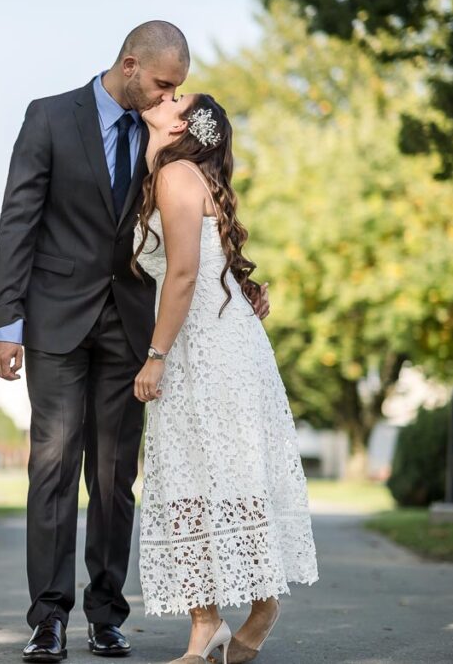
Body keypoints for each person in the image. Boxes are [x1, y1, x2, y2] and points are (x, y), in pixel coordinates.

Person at [0, 22, 270, 662]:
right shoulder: (49, 117)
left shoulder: (163, 135)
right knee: (52, 464)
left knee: (116, 477)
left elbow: (194, 224)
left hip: (132, 326)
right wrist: (8, 322)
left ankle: (107, 614)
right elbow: (18, 220)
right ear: (131, 64)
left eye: (178, 88)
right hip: (56, 319)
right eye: (164, 83)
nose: (171, 96)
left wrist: (238, 286)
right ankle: (48, 618)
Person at [132, 92, 319, 664]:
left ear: (186, 124)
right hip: (210, 337)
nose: (164, 98)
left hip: (205, 347)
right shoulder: (173, 172)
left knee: (219, 478)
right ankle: (206, 625)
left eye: (175, 98)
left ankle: (260, 608)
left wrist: (155, 354)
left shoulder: (177, 176)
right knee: (191, 481)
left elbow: (184, 272)